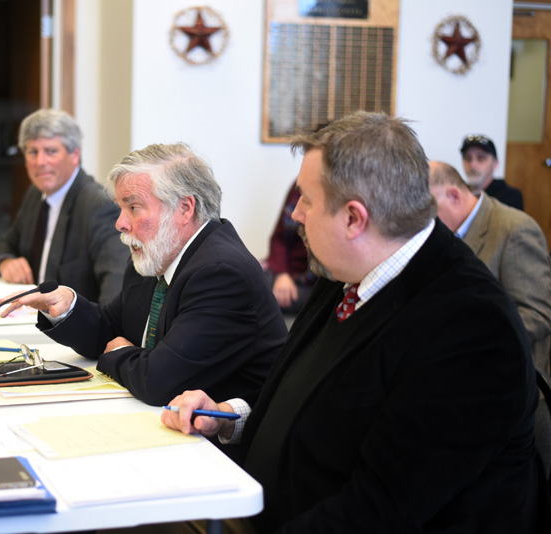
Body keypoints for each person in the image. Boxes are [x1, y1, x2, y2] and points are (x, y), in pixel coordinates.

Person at [161, 112, 546, 533]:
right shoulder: (347, 269)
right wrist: (227, 414)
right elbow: (305, 392)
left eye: (306, 199)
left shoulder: (472, 331)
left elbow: (379, 512)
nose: (295, 216)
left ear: (353, 219)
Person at [0, 143, 287, 406]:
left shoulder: (220, 273)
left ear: (185, 208)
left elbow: (158, 381)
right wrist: (65, 306)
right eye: (121, 208)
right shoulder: (157, 253)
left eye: (134, 207)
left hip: (223, 448)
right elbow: (110, 331)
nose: (121, 224)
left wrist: (121, 354)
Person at [0, 109, 128, 305]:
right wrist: (6, 261)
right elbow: (6, 242)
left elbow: (116, 285)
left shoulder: (98, 204)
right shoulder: (35, 194)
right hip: (32, 315)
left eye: (51, 151)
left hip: (72, 327)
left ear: (74, 154)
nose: (40, 162)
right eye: (32, 152)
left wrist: (103, 333)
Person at [429, 160, 551, 374]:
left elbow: (537, 315)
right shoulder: (447, 231)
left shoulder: (514, 229)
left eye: (427, 210)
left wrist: (464, 338)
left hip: (510, 377)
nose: (422, 221)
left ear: (454, 196)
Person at [264, 182, 317, 314]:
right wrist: (282, 274)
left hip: (312, 282)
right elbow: (279, 237)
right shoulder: (300, 183)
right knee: (242, 281)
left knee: (259, 298)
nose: (295, 214)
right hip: (284, 268)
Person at [460, 133, 523, 209]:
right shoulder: (458, 194)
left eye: (480, 158)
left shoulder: (510, 197)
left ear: (495, 164)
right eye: (467, 158)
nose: (473, 164)